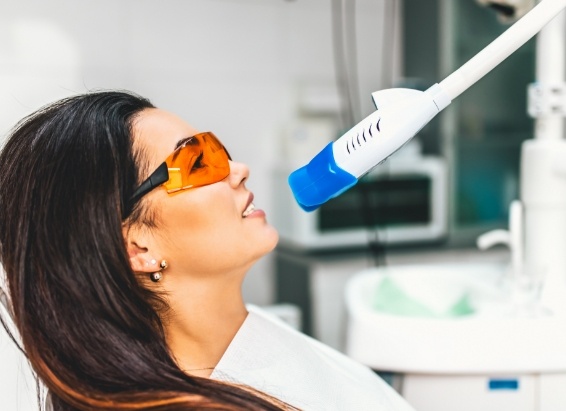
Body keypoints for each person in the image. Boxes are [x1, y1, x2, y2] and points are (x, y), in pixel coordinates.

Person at [0, 91, 415, 411]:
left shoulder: (251, 333)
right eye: (198, 162)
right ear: (137, 247)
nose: (239, 170)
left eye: (217, 150)